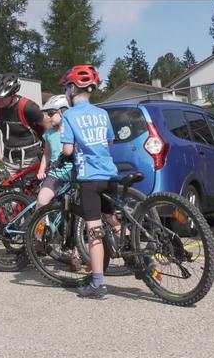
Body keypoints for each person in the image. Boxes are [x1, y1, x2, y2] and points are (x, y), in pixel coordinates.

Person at [59, 65, 118, 299]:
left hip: (89, 178)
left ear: (73, 88)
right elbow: (110, 142)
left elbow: (67, 149)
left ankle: (97, 284)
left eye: (66, 88)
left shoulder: (70, 115)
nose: (65, 93)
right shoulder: (102, 113)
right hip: (109, 174)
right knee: (112, 219)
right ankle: (129, 247)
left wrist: (65, 156)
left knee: (93, 231)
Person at [35, 94, 81, 271]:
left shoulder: (73, 131)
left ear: (63, 112)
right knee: (42, 201)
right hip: (55, 175)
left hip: (73, 176)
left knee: (75, 217)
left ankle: (76, 255)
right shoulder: (48, 134)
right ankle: (38, 238)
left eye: (51, 113)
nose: (48, 117)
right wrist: (41, 170)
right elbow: (46, 154)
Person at [0, 73, 44, 177]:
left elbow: (48, 126)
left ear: (12, 95)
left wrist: (50, 150)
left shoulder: (28, 107)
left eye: (2, 98)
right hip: (9, 158)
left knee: (31, 191)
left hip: (31, 158)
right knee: (7, 191)